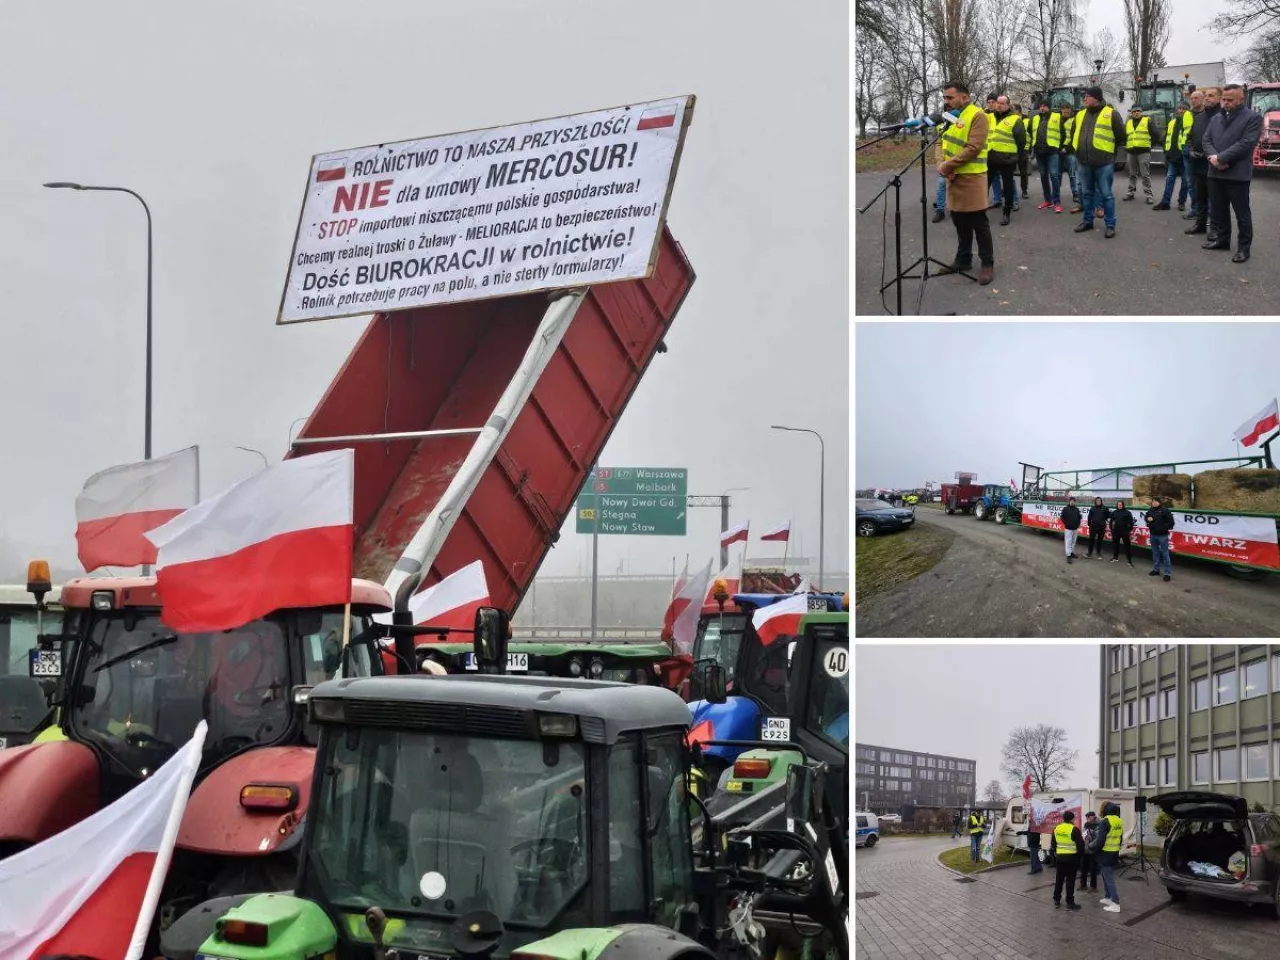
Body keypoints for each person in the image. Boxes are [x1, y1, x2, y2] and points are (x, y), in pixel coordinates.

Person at [936, 81, 996, 285]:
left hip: (972, 178)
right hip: (953, 177)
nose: (946, 101)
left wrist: (947, 166)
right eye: (945, 97)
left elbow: (974, 147)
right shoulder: (949, 116)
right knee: (959, 222)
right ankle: (963, 260)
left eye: (950, 97)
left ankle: (987, 264)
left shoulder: (978, 115)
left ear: (965, 97)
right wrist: (942, 165)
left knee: (979, 224)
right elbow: (939, 143)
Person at [1204, 83, 1262, 263]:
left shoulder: (1253, 118)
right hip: (1215, 173)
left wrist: (1220, 158)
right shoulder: (1216, 118)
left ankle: (1244, 248)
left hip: (1237, 175)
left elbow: (1246, 144)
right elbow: (1206, 140)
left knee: (1242, 214)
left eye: (1230, 100)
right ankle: (1222, 240)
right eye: (1224, 99)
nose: (1226, 103)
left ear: (1241, 99)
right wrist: (1213, 158)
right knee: (1219, 211)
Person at [1071, 87, 1127, 239]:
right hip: (1083, 161)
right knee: (1087, 193)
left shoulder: (1111, 114)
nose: (1084, 99)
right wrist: (1076, 150)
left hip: (1104, 163)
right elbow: (1073, 134)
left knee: (1106, 195)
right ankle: (1088, 221)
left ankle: (1110, 225)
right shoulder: (1080, 114)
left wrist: (1111, 155)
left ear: (1096, 97)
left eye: (1087, 96)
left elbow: (1121, 137)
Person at [1185, 87, 1221, 239]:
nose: (1207, 98)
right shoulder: (1199, 118)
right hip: (1199, 165)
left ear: (1219, 98)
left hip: (1216, 167)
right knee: (1200, 197)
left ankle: (1215, 229)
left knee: (1216, 200)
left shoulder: (1222, 117)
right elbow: (1190, 137)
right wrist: (1191, 150)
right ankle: (1200, 224)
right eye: (1206, 95)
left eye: (1211, 96)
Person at [987, 95, 1025, 227]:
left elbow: (1021, 141)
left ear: (1008, 105)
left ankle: (1006, 212)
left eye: (1002, 103)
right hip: (990, 156)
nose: (999, 105)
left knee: (1008, 186)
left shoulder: (1015, 119)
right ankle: (979, 210)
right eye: (998, 103)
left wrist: (1015, 157)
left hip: (1007, 159)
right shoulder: (990, 117)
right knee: (984, 184)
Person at [1154, 102, 1192, 211]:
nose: (1180, 111)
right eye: (1179, 108)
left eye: (1183, 109)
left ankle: (1181, 202)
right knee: (1169, 180)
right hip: (1172, 158)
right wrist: (1166, 152)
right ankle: (1165, 202)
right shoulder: (1171, 123)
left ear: (1187, 111)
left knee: (1185, 182)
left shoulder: (1189, 123)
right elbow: (1167, 138)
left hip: (1184, 158)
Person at [1030, 101, 1064, 212]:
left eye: (1044, 106)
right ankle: (1048, 200)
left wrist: (1058, 147)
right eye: (1041, 106)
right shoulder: (1035, 118)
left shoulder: (1057, 117)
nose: (1042, 108)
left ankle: (1057, 202)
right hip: (1039, 152)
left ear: (1049, 107)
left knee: (1054, 175)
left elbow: (1063, 134)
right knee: (1043, 176)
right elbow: (1030, 132)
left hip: (1052, 151)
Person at [1122, 105, 1159, 205]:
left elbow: (1156, 134)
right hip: (1131, 152)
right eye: (1134, 111)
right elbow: (1124, 136)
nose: (1136, 113)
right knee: (1132, 174)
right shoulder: (1128, 123)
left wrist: (1149, 145)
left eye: (1138, 111)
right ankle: (1130, 192)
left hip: (1143, 152)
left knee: (1145, 175)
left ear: (1141, 112)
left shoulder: (1147, 120)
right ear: (1131, 113)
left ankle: (1149, 195)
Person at [1092, 801, 1124, 913]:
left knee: (1109, 878)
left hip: (1105, 853)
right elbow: (1120, 838)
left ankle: (1115, 903)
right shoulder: (1119, 820)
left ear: (1105, 810)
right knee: (1105, 875)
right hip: (1114, 852)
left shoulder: (1104, 822)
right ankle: (1107, 897)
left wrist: (1094, 850)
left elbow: (1100, 840)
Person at [1050, 811, 1084, 910]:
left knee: (1059, 879)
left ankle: (1056, 899)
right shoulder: (1074, 829)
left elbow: (1053, 844)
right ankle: (1070, 902)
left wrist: (1058, 853)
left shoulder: (1056, 828)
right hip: (1072, 859)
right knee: (1070, 880)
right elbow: (1081, 845)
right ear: (1072, 819)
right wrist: (1080, 856)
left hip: (1060, 858)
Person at [1145, 496, 1176, 581]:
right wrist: (1147, 519)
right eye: (1153, 501)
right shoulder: (1150, 510)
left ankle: (1167, 573)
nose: (1154, 503)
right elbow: (1146, 518)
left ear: (1159, 502)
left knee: (1165, 554)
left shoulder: (1165, 511)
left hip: (1163, 536)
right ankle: (1156, 570)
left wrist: (1162, 528)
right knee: (1155, 553)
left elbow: (1171, 523)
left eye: (1156, 501)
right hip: (1153, 535)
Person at [1060, 105, 1080, 210]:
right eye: (1064, 112)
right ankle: (1056, 194)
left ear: (1070, 112)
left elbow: (1075, 138)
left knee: (1072, 174)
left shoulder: (1073, 121)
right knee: (1057, 175)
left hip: (1070, 151)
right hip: (1059, 151)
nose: (1066, 114)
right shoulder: (1058, 120)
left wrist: (1067, 149)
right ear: (1061, 111)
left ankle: (1075, 193)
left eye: (1068, 113)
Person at [1109, 500, 1135, 567]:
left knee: (1127, 546)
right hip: (1116, 531)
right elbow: (1111, 521)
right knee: (1115, 545)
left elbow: (1131, 522)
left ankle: (1129, 561)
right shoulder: (1114, 512)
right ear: (1117, 505)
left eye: (1121, 504)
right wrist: (1111, 529)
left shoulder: (1127, 512)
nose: (1119, 505)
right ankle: (1115, 557)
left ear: (1123, 505)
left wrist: (1128, 529)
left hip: (1124, 532)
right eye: (1118, 504)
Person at [1079, 811, 1100, 892]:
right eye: (1086, 818)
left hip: (1093, 850)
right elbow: (1083, 834)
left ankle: (1093, 887)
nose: (1087, 819)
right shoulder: (1086, 824)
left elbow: (1098, 839)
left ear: (1093, 816)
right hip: (1085, 850)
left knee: (1093, 869)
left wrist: (1090, 846)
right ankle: (1083, 885)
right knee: (1083, 867)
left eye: (1088, 817)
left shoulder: (1098, 824)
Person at [1013, 104, 1031, 199]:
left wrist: (1029, 148)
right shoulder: (1011, 120)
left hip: (1023, 149)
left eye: (1014, 110)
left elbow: (1030, 134)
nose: (1012, 111)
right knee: (1008, 171)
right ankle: (1008, 190)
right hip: (1012, 149)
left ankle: (1024, 190)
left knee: (1023, 171)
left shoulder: (1027, 121)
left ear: (1019, 111)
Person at [1061, 496, 1082, 563]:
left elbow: (1079, 518)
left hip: (1075, 529)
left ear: (1075, 502)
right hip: (1068, 529)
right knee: (1068, 542)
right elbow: (1062, 518)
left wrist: (1078, 524)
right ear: (1069, 501)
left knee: (1073, 541)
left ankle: (1072, 552)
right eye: (1071, 501)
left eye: (1073, 501)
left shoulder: (1077, 509)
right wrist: (1067, 524)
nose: (1072, 502)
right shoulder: (1065, 509)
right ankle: (1068, 555)